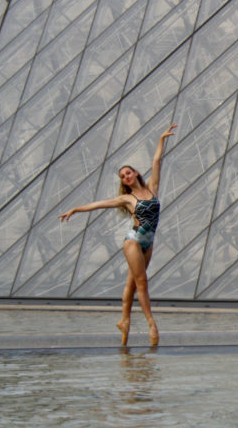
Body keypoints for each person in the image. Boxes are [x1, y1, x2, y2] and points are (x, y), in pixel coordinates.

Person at [60, 124, 177, 346]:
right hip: (133, 241)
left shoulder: (153, 187)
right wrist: (75, 209)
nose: (126, 177)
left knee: (131, 285)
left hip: (148, 243)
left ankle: (124, 321)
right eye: (123, 176)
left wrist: (161, 138)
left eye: (128, 173)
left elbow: (156, 161)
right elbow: (99, 204)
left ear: (136, 173)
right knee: (142, 282)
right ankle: (152, 324)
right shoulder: (127, 198)